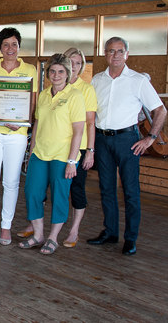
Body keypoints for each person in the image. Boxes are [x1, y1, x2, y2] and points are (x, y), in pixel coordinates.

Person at [88, 37, 166, 256]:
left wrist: (150, 138)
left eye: (119, 51)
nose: (115, 55)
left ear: (127, 54)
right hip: (103, 139)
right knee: (106, 189)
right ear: (105, 54)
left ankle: (130, 239)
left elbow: (160, 110)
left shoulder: (138, 80)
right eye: (111, 51)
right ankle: (110, 232)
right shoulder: (97, 80)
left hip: (127, 141)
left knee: (131, 192)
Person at [18, 54, 85, 255]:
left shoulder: (75, 96)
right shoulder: (44, 95)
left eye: (61, 71)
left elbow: (79, 131)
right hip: (40, 153)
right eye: (52, 71)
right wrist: (31, 154)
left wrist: (72, 161)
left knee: (60, 196)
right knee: (32, 192)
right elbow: (37, 124)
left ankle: (53, 238)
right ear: (47, 73)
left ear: (68, 73)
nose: (56, 75)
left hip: (63, 156)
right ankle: (38, 235)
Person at [0, 28, 37, 246]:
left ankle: (5, 227)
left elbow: (31, 103)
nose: (10, 49)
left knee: (11, 183)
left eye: (14, 44)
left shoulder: (30, 69)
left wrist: (21, 119)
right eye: (6, 45)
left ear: (19, 47)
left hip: (17, 133)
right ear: (0, 47)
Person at [61, 47, 97, 248]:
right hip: (58, 146)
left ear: (82, 66)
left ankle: (74, 230)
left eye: (77, 63)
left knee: (77, 189)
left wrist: (90, 151)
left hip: (79, 148)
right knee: (57, 188)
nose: (73, 66)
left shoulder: (87, 89)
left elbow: (90, 123)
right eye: (70, 61)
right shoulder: (58, 85)